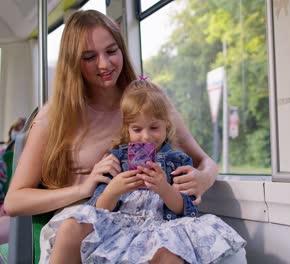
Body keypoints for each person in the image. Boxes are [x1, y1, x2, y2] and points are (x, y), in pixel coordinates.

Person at [4, 9, 219, 262]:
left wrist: (203, 178)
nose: (104, 64)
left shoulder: (148, 103)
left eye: (111, 51)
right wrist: (84, 189)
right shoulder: (55, 115)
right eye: (89, 57)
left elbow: (204, 161)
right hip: (85, 223)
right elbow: (15, 201)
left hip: (144, 222)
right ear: (73, 62)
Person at [40, 80, 246, 263]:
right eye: (137, 129)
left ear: (166, 126)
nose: (146, 136)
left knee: (170, 255)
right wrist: (114, 190)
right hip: (119, 228)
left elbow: (186, 209)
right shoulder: (115, 160)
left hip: (162, 230)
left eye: (154, 128)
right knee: (70, 227)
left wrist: (164, 188)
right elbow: (97, 208)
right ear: (127, 130)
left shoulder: (177, 161)